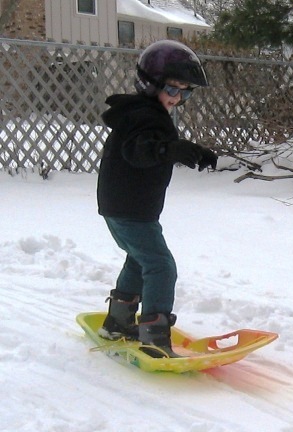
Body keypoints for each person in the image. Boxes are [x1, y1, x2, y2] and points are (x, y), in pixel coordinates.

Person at [97, 40, 217, 358]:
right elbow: (140, 150)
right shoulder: (145, 116)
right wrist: (169, 150)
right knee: (161, 267)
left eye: (185, 92)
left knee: (139, 260)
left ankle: (118, 323)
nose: (178, 98)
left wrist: (187, 150)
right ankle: (154, 339)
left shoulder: (142, 113)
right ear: (150, 85)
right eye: (173, 89)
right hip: (130, 209)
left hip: (125, 207)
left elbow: (152, 144)